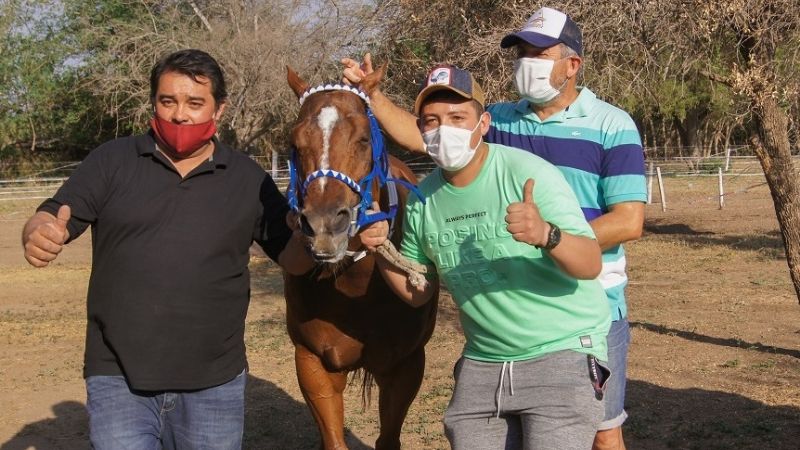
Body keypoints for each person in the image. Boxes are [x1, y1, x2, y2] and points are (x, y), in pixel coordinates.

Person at [342, 7, 646, 449]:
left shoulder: (610, 124)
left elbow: (629, 220)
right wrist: (373, 97)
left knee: (603, 433)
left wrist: (546, 236)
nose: (526, 63)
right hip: (498, 331)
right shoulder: (500, 120)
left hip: (592, 299)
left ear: (572, 64)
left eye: (538, 54)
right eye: (520, 53)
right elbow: (433, 129)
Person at [21, 49, 313, 449]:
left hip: (215, 382)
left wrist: (311, 236)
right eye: (167, 101)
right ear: (154, 102)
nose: (180, 115)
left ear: (219, 109)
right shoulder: (112, 161)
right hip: (117, 376)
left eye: (195, 103)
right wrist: (37, 231)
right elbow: (52, 215)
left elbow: (293, 261)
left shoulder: (249, 178)